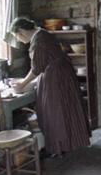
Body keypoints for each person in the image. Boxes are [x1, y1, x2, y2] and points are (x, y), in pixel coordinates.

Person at [10, 18, 90, 156]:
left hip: (55, 78)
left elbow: (37, 68)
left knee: (53, 112)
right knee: (65, 109)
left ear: (21, 31)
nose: (17, 40)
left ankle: (58, 147)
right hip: (62, 74)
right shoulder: (42, 33)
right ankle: (66, 144)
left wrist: (22, 84)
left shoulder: (39, 41)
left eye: (16, 36)